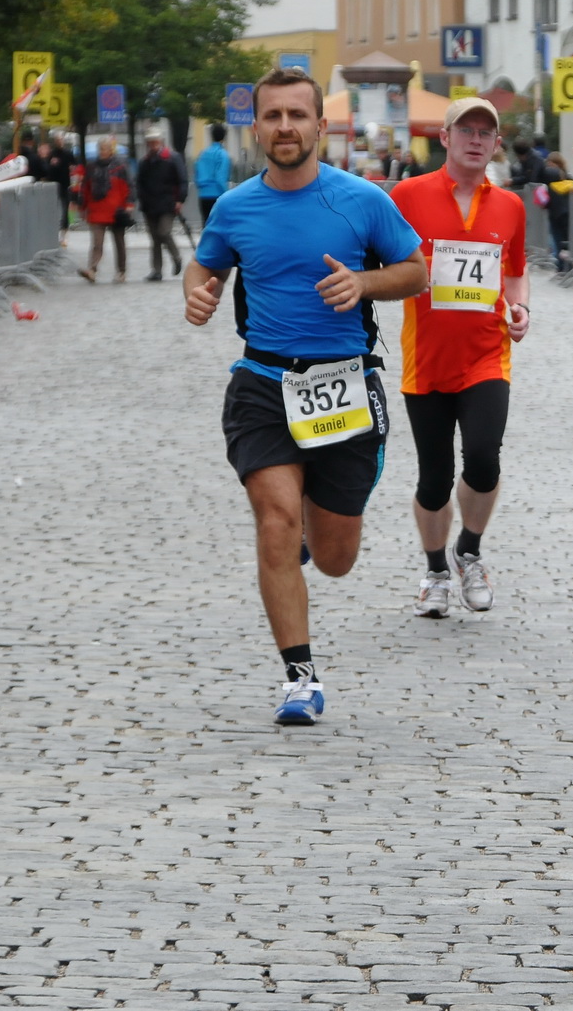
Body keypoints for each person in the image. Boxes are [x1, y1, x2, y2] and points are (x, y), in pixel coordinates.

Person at [183, 66, 426, 726]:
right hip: (262, 383)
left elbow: (414, 270)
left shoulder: (361, 199)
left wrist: (363, 285)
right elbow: (205, 262)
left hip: (343, 385)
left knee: (337, 556)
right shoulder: (235, 206)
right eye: (272, 116)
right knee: (275, 519)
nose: (284, 127)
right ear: (255, 126)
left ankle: (304, 543)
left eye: (297, 115)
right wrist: (196, 291)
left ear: (321, 125)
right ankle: (299, 676)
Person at [389, 97, 530, 618]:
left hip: (486, 357)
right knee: (434, 475)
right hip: (425, 360)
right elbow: (382, 259)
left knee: (484, 459)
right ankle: (435, 570)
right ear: (444, 138)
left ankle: (468, 550)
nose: (476, 139)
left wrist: (520, 307)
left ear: (496, 143)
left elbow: (515, 270)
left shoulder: (510, 206)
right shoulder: (406, 195)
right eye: (465, 129)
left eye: (485, 132)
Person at [79, 137, 134, 283]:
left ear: (111, 150)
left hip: (117, 210)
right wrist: (82, 207)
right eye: (100, 149)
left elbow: (129, 186)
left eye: (105, 149)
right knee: (97, 243)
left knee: (119, 242)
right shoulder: (91, 167)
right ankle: (92, 269)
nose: (102, 152)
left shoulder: (121, 167)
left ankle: (121, 272)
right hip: (96, 210)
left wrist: (129, 204)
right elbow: (85, 188)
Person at [137, 125, 186, 281]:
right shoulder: (145, 162)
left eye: (155, 141)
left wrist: (180, 200)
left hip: (168, 203)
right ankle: (156, 270)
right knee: (155, 239)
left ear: (161, 141)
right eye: (150, 141)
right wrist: (142, 199)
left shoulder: (172, 158)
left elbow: (182, 180)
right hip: (149, 204)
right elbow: (140, 182)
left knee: (164, 232)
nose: (152, 144)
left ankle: (177, 257)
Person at [540, 150, 573, 272]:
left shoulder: (566, 180)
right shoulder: (551, 181)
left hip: (563, 214)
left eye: (552, 164)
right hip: (556, 214)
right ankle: (561, 265)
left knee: (564, 241)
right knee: (558, 241)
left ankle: (565, 266)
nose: (549, 168)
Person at [196, 122, 231, 225]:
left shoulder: (203, 154)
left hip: (203, 195)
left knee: (206, 225)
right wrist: (226, 193)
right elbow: (221, 177)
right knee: (218, 226)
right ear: (224, 136)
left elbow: (197, 173)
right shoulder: (222, 154)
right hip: (217, 194)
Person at [48, 129, 77, 235]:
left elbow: (74, 166)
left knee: (65, 205)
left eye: (61, 140)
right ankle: (54, 225)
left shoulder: (68, 153)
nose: (60, 142)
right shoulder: (52, 154)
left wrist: (72, 172)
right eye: (58, 140)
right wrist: (51, 164)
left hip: (65, 183)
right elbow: (48, 168)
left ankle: (64, 227)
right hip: (53, 184)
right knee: (54, 206)